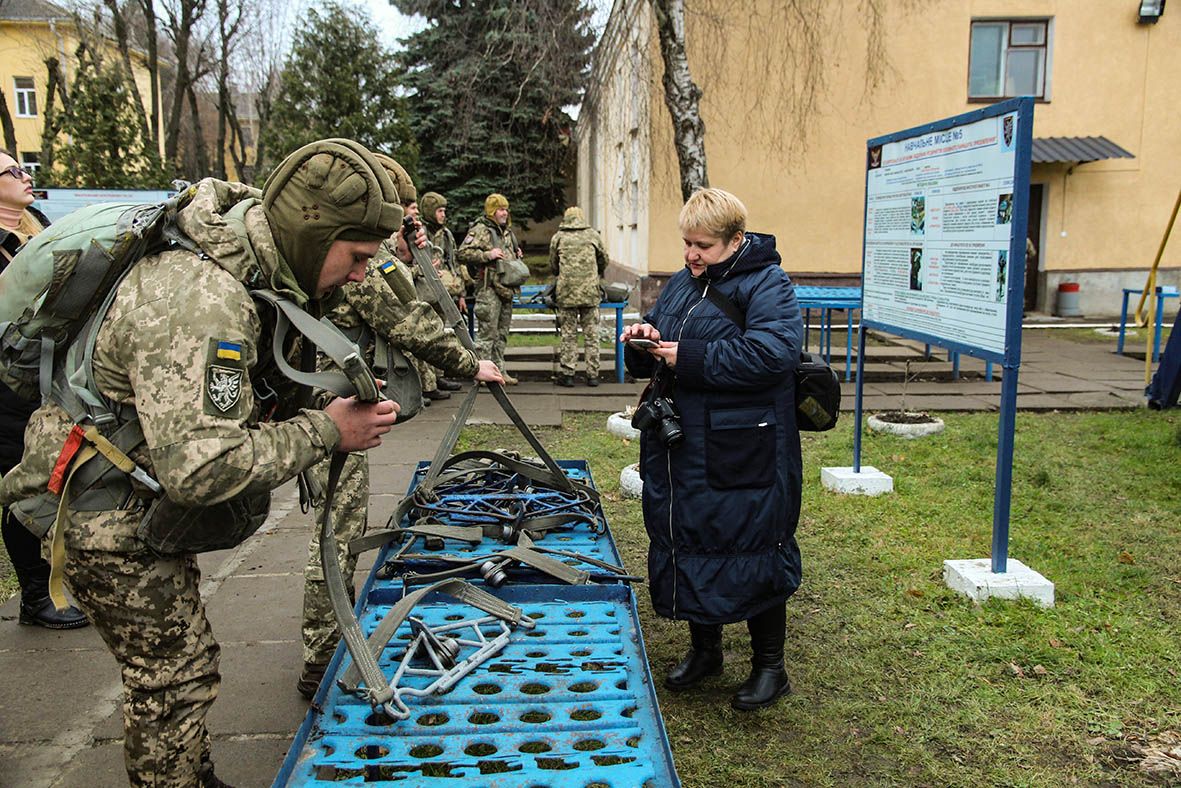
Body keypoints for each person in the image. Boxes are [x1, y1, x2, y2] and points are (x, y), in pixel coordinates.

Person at [0, 139, 402, 787]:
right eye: (355, 257)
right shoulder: (205, 302)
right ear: (310, 233)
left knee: (183, 663)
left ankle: (191, 773)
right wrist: (327, 432)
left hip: (135, 489)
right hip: (106, 510)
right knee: (173, 674)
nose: (361, 274)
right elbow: (202, 469)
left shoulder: (241, 260)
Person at [297, 158, 504, 698]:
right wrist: (469, 362)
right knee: (336, 535)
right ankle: (322, 657)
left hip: (326, 402)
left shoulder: (367, 251)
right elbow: (407, 320)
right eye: (405, 212)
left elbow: (418, 301)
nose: (410, 221)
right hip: (329, 410)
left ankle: (325, 646)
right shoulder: (364, 258)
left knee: (337, 530)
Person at [620, 188, 803, 712]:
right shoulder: (684, 283)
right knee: (693, 540)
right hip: (685, 448)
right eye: (686, 243)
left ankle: (771, 667)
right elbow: (665, 350)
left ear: (736, 240)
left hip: (744, 449)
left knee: (753, 547)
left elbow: (774, 353)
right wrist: (645, 341)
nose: (691, 254)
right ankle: (707, 652)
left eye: (702, 245)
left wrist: (689, 356)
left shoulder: (767, 283)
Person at [0, 149, 88, 629]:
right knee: (25, 478)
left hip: (47, 374)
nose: (23, 175)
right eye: (11, 171)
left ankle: (56, 584)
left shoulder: (37, 226)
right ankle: (37, 596)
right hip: (8, 382)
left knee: (56, 473)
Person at [458, 193, 523, 385]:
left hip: (506, 289)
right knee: (487, 334)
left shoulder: (508, 232)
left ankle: (499, 370)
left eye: (506, 209)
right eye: (501, 209)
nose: (505, 213)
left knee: (502, 333)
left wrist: (516, 253)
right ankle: (482, 372)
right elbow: (463, 253)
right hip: (488, 291)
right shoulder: (481, 230)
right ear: (492, 211)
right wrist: (488, 254)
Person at [549, 206, 608, 387]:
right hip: (590, 293)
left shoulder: (558, 237)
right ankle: (593, 375)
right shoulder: (593, 235)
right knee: (591, 334)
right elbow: (604, 259)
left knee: (568, 334)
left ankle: (568, 374)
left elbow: (553, 264)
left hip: (566, 294)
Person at [421, 189, 471, 393]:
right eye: (439, 211)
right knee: (424, 335)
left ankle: (438, 376)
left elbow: (455, 263)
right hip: (422, 291)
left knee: (440, 333)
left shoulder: (447, 235)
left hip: (443, 292)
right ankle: (426, 382)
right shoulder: (419, 231)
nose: (443, 215)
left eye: (444, 211)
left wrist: (460, 294)